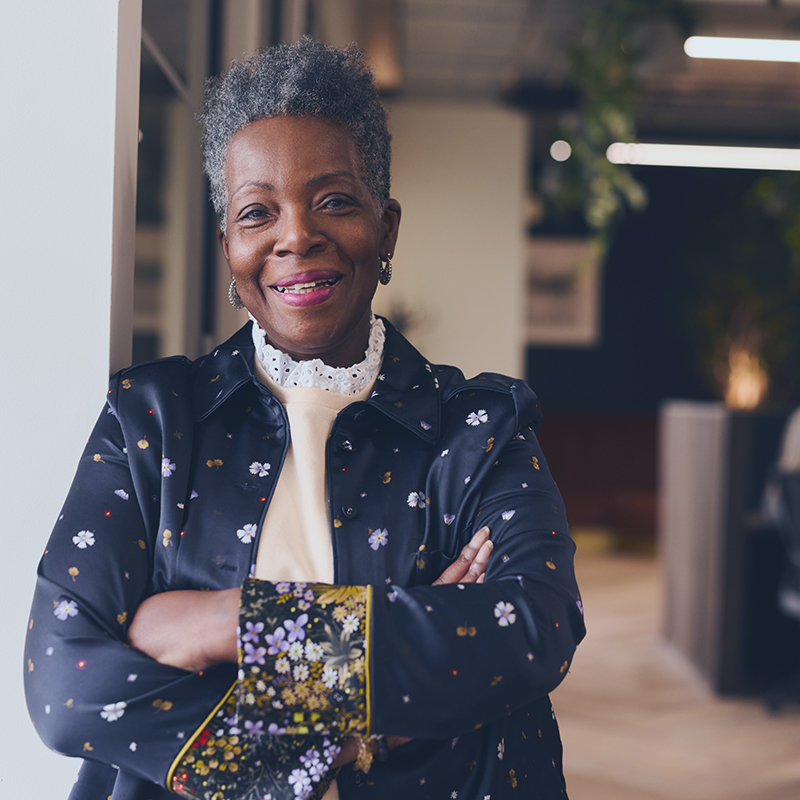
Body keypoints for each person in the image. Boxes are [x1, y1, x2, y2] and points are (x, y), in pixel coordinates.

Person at [24, 38, 585, 800]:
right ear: (229, 250)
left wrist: (231, 626)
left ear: (385, 230)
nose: (296, 236)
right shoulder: (151, 421)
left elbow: (531, 629)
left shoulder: (478, 429)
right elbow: (65, 687)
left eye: (334, 201)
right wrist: (347, 735)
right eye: (259, 213)